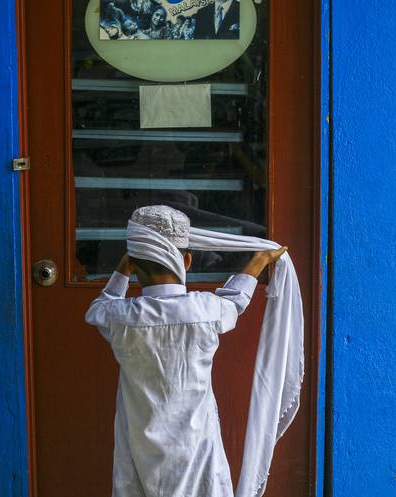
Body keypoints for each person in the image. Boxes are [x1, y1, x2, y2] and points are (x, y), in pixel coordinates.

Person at [85, 205, 286, 497]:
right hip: (196, 446)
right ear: (187, 261)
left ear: (133, 264)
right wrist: (257, 262)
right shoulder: (205, 310)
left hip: (140, 446)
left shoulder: (120, 317)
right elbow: (236, 301)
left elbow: (97, 308)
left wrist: (122, 270)